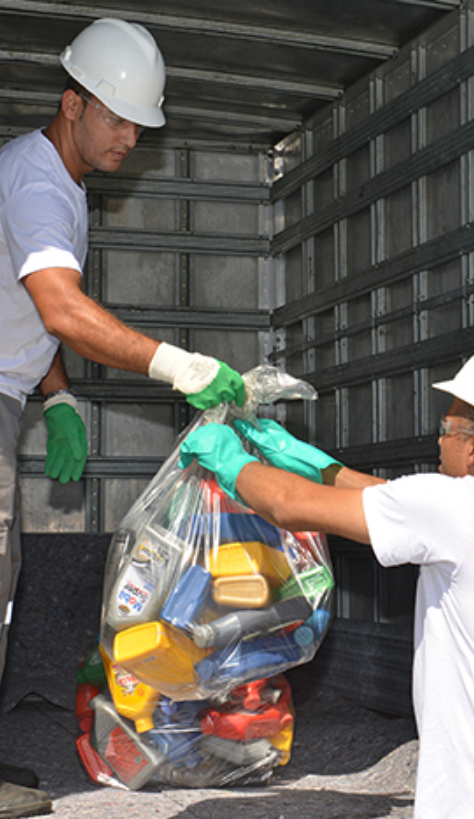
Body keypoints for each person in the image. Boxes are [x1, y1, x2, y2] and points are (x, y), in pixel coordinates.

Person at [178, 334, 474, 819]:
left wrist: (228, 459)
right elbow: (398, 502)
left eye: (446, 426)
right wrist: (315, 465)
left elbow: (288, 506)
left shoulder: (461, 512)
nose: (438, 437)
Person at [0, 17, 245, 817]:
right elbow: (62, 307)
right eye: (114, 115)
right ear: (72, 102)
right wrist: (175, 363)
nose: (129, 136)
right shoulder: (38, 180)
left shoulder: (56, 182)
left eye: (139, 122)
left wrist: (59, 394)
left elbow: (31, 314)